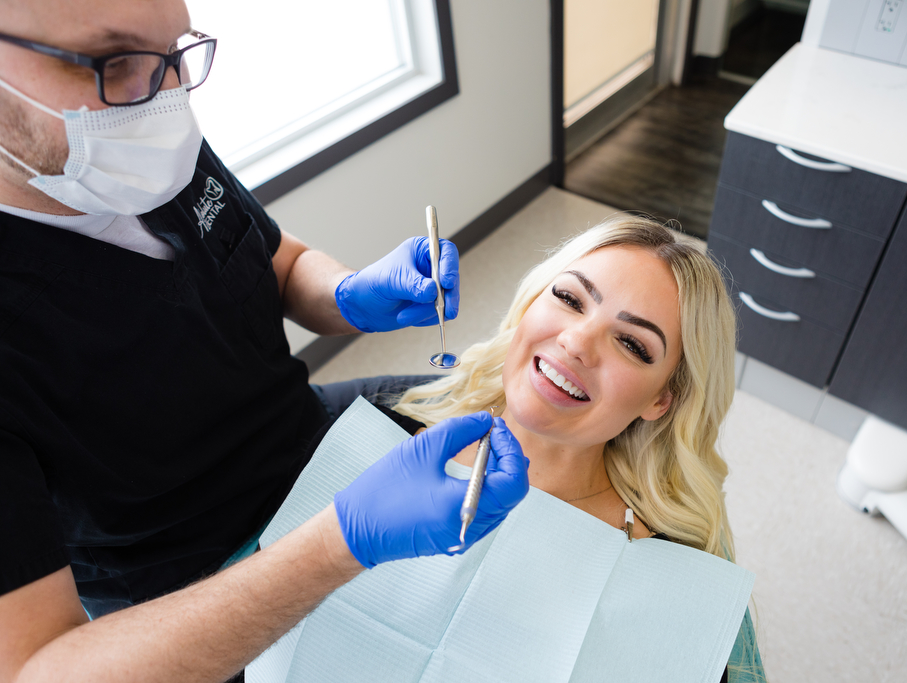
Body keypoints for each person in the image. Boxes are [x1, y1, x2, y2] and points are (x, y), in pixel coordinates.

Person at [0, 2, 529, 682]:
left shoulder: (142, 145)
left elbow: (272, 258)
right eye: (115, 62)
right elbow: (39, 668)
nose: (164, 99)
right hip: (189, 577)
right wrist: (340, 540)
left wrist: (346, 291)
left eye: (174, 57)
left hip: (303, 429)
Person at [383, 215, 765, 681]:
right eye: (569, 298)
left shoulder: (671, 571)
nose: (576, 341)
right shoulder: (394, 421)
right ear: (531, 301)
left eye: (631, 343)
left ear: (661, 400)